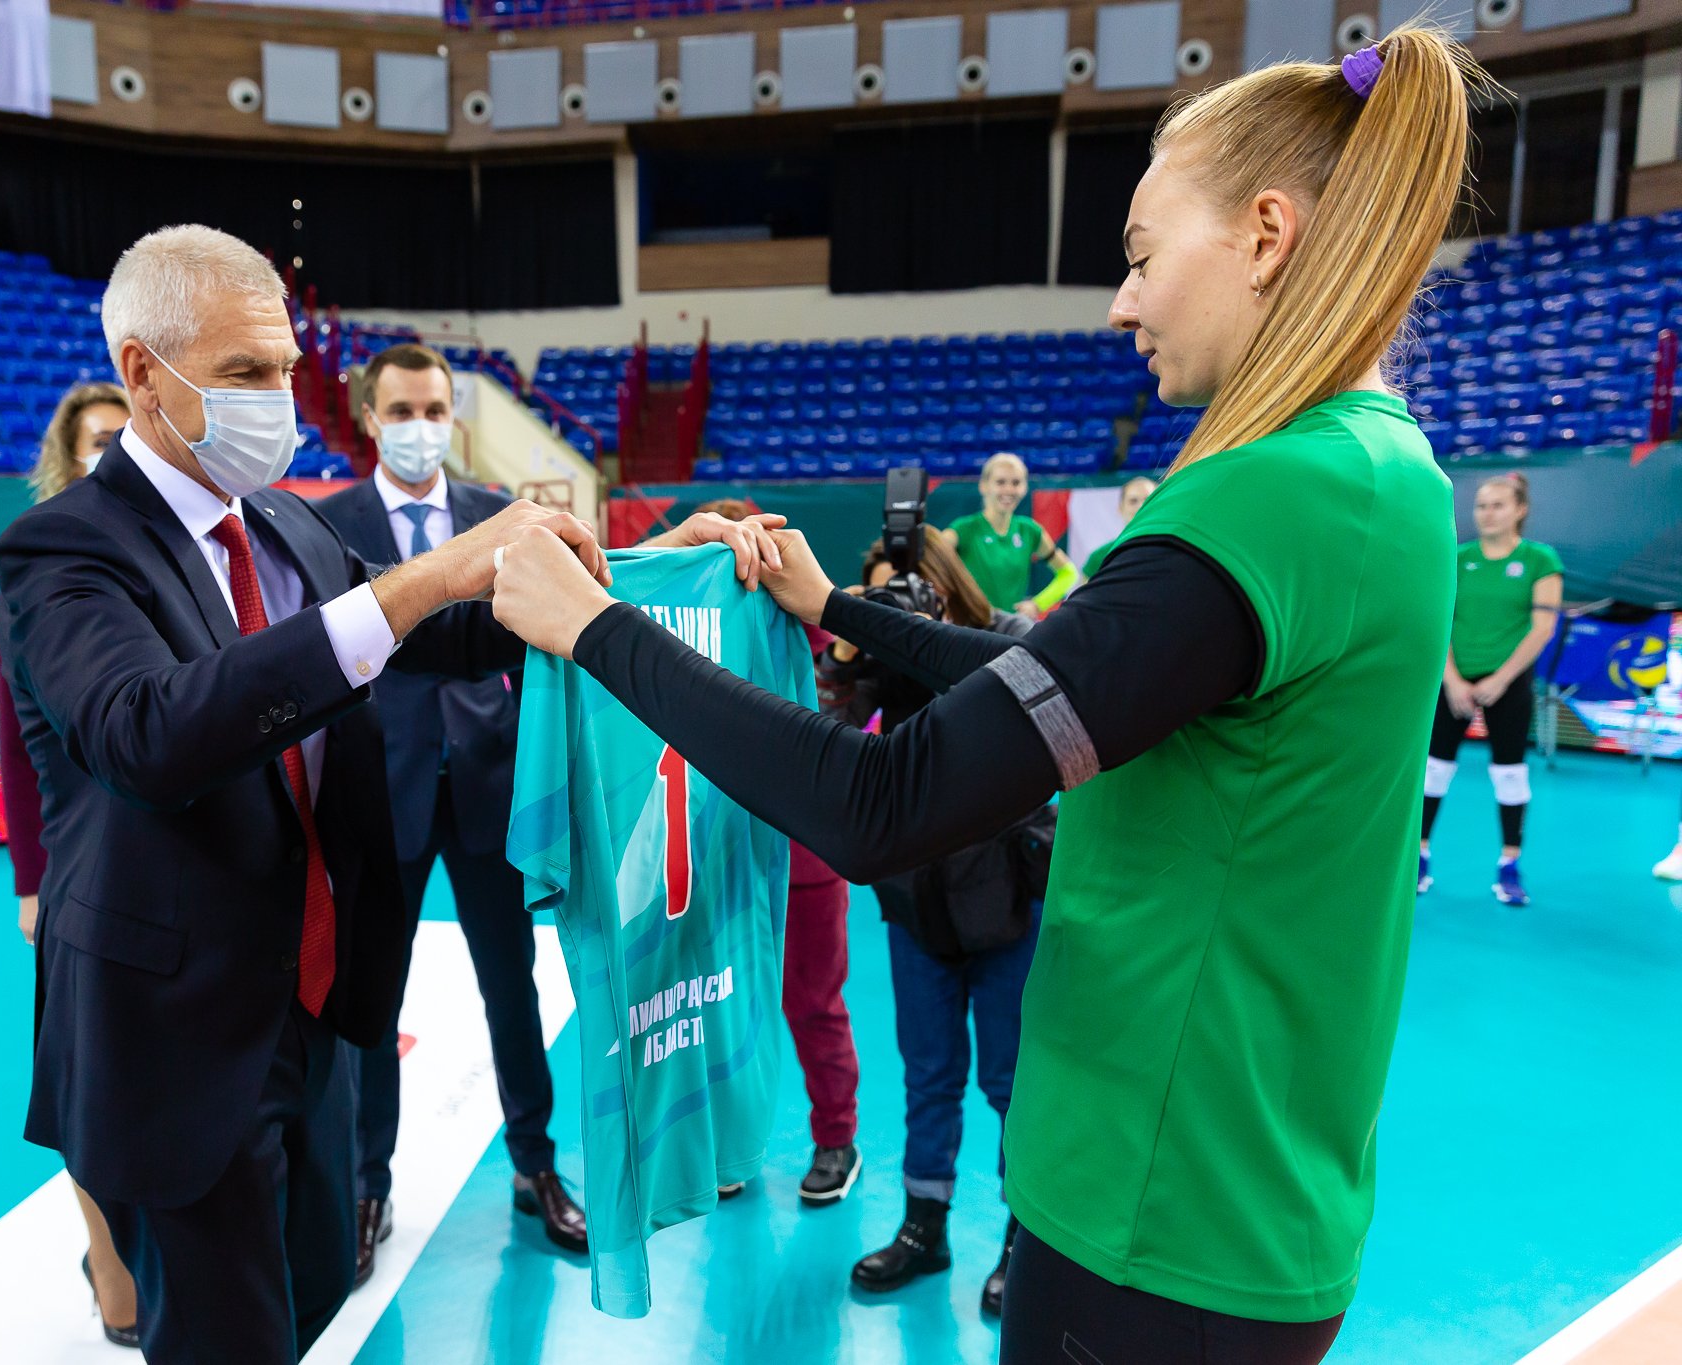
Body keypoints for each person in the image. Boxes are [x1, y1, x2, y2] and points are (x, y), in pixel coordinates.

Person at [489, 28, 1476, 1364]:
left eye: (1140, 256)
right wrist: (837, 610)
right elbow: (1067, 678)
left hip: (1157, 1213)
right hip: (1240, 1186)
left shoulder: (1275, 492)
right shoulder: (1378, 470)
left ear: (1264, 235)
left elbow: (884, 802)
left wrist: (597, 628)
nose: (1121, 305)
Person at [0, 224, 615, 1365]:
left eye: (283, 368)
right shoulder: (63, 550)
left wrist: (642, 574)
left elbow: (440, 634)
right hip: (177, 1042)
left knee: (314, 1297)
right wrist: (425, 578)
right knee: (225, 1338)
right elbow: (148, 733)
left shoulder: (284, 523)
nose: (276, 398)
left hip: (312, 1008)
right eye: (243, 372)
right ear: (142, 373)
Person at [314, 342, 585, 1284]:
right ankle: (366, 1185)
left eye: (434, 409)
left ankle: (536, 1164)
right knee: (372, 998)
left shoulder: (496, 516)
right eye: (402, 410)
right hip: (377, 787)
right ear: (370, 417)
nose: (420, 426)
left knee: (513, 985)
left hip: (487, 784)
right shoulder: (331, 526)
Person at [827, 527, 1046, 1318]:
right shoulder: (877, 659)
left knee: (1013, 1080)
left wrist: (932, 638)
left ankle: (1025, 1239)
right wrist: (848, 648)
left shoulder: (1006, 635)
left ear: (944, 584)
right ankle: (925, 1226)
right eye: (881, 598)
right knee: (928, 1070)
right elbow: (828, 732)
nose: (899, 611)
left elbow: (1023, 701)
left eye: (908, 593)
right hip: (918, 900)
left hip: (1007, 896)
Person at [0, 379, 138, 1346]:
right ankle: (110, 1268)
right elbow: (19, 740)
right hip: (80, 864)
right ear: (68, 453)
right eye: (97, 439)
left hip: (168, 857)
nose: (114, 451)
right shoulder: (44, 553)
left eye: (126, 434)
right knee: (87, 1087)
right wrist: (31, 878)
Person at [680, 499, 863, 1209]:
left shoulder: (800, 620)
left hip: (804, 855)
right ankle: (737, 1143)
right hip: (717, 850)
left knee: (812, 1002)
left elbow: (829, 633)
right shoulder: (682, 628)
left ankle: (837, 1138)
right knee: (724, 1002)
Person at [1419, 473, 1562, 907]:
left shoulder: (1540, 560)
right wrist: (1453, 680)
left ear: (1520, 510)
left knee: (1509, 773)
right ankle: (1418, 860)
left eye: (1498, 505)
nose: (1487, 513)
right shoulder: (1458, 558)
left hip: (1509, 685)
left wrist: (1501, 679)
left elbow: (1542, 628)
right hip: (1453, 683)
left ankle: (1509, 867)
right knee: (1433, 770)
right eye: (1481, 505)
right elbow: (1438, 622)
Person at [942, 453, 1078, 620]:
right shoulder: (963, 529)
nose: (1009, 490)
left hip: (1012, 627)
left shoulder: (1029, 530)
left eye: (1016, 483)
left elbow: (1068, 573)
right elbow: (930, 558)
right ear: (983, 486)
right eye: (1000, 482)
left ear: (1025, 487)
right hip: (972, 627)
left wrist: (1038, 604)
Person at [1079, 476, 1157, 579]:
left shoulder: (1174, 550)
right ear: (1120, 509)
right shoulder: (1100, 557)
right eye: (1133, 501)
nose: (1141, 506)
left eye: (1148, 500)